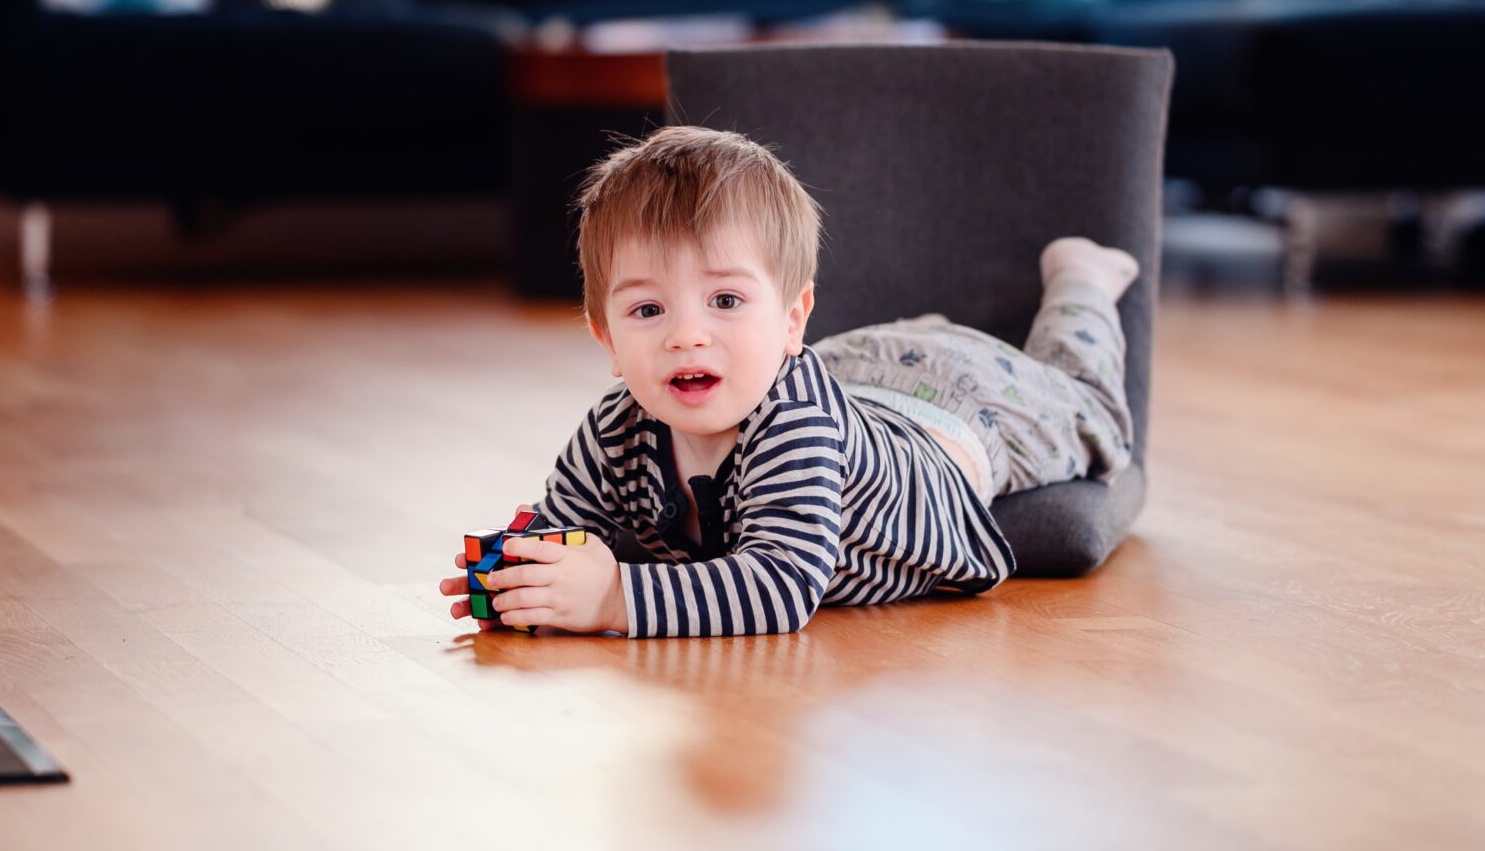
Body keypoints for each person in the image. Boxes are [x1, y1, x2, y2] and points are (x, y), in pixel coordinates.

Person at [439, 125, 1141, 637]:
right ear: (607, 339)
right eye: (648, 309)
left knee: (1091, 411)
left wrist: (614, 597)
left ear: (790, 317)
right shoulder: (614, 430)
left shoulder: (793, 425)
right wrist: (518, 573)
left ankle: (1083, 281)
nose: (687, 334)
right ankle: (917, 329)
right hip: (845, 369)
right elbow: (565, 522)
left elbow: (779, 587)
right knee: (840, 374)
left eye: (725, 301)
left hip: (956, 410)